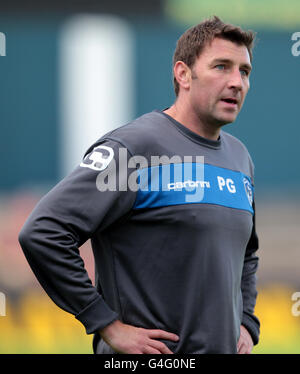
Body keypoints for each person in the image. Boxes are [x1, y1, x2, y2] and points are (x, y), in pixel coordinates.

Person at [18, 16, 260, 354]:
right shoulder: (134, 149)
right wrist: (105, 324)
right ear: (183, 74)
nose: (237, 82)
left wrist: (247, 322)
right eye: (221, 67)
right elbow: (43, 232)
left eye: (244, 71)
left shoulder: (239, 157)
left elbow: (247, 253)